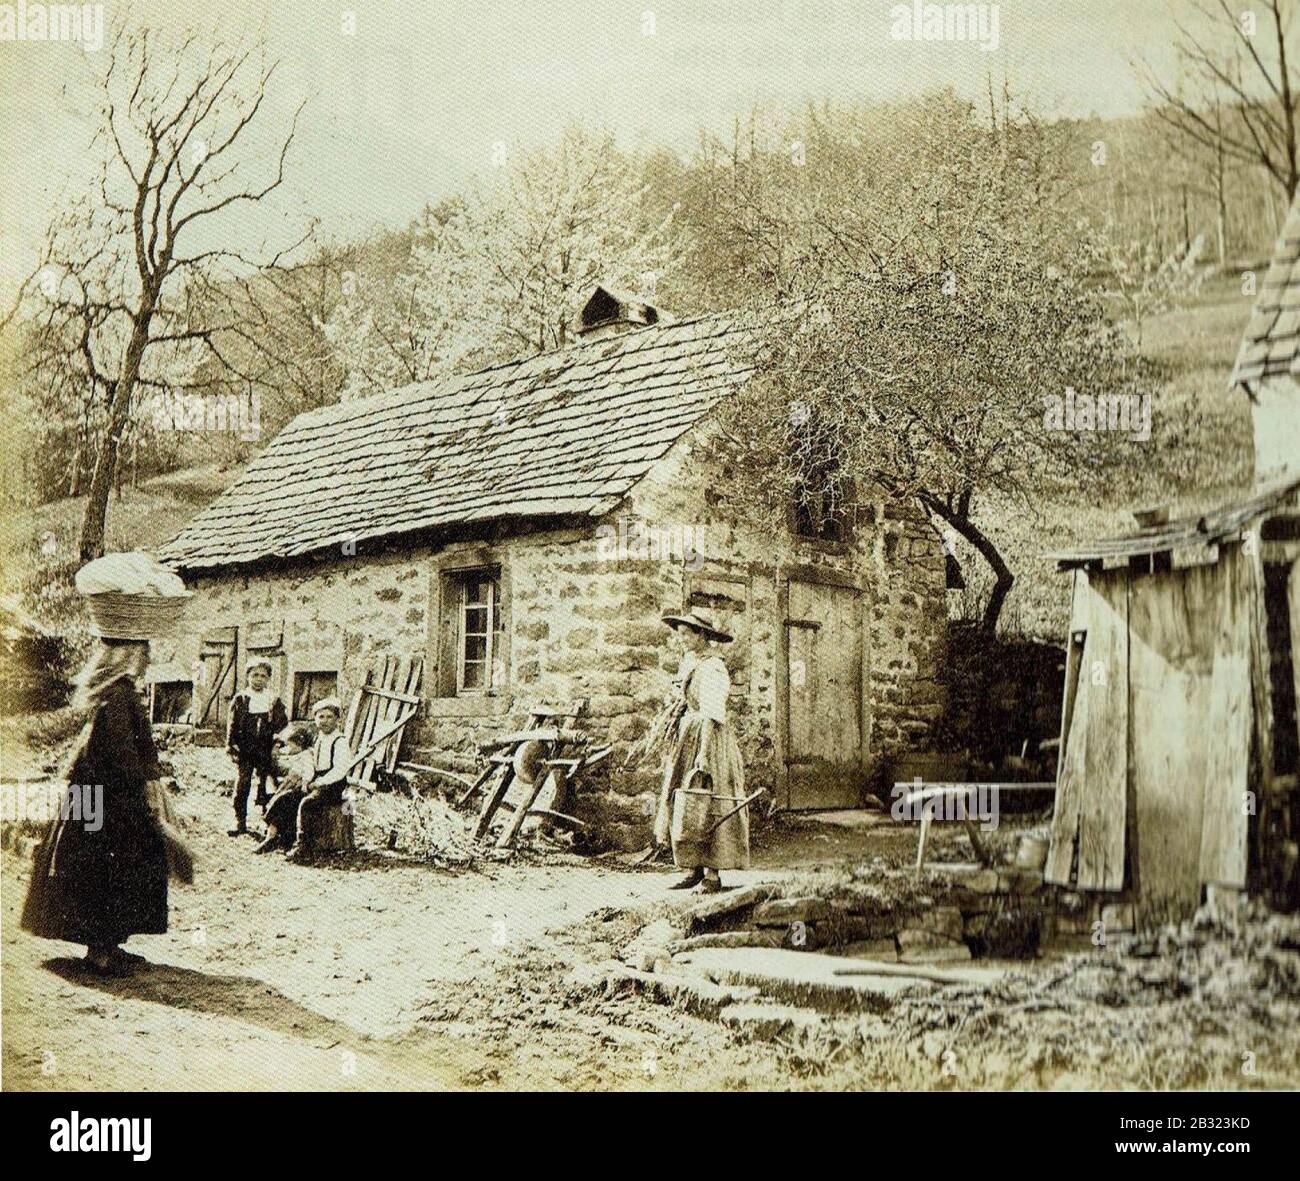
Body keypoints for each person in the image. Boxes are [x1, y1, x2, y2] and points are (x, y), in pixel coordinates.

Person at [22, 550, 190, 976]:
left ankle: (109, 943)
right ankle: (99, 950)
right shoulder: (118, 697)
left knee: (115, 865)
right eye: (143, 651)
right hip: (106, 797)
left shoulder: (121, 692)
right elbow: (118, 752)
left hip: (102, 793)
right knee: (106, 865)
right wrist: (144, 794)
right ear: (129, 655)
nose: (148, 658)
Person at [653, 608, 750, 893]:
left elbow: (710, 714)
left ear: (702, 635)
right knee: (685, 801)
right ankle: (692, 868)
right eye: (680, 633)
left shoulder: (713, 668)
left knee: (708, 800)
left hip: (709, 738)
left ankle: (712, 875)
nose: (681, 639)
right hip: (688, 735)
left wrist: (703, 755)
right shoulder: (691, 661)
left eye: (686, 634)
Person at [225, 659, 288, 837]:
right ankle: (240, 821)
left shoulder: (273, 700)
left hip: (265, 747)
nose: (258, 679)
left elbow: (281, 725)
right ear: (247, 676)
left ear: (268, 679)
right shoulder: (241, 699)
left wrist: (277, 744)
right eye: (254, 675)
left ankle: (267, 821)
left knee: (266, 784)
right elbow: (232, 724)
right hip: (245, 748)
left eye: (263, 676)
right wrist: (231, 745)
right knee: (243, 783)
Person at [285, 698, 352, 862]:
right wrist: (307, 781)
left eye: (330, 717)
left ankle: (304, 847)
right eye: (321, 717)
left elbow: (340, 770)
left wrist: (318, 783)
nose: (325, 721)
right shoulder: (318, 738)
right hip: (318, 781)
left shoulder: (340, 741)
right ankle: (284, 838)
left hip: (334, 785)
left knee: (308, 804)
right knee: (288, 798)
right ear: (315, 719)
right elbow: (312, 764)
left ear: (337, 720)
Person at [254, 724, 314, 854]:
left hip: (299, 786)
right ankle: (272, 836)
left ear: (299, 744)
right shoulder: (300, 752)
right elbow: (286, 752)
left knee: (281, 801)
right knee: (277, 799)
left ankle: (273, 837)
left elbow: (309, 773)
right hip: (291, 783)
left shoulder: (307, 756)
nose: (288, 748)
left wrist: (304, 784)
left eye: (291, 745)